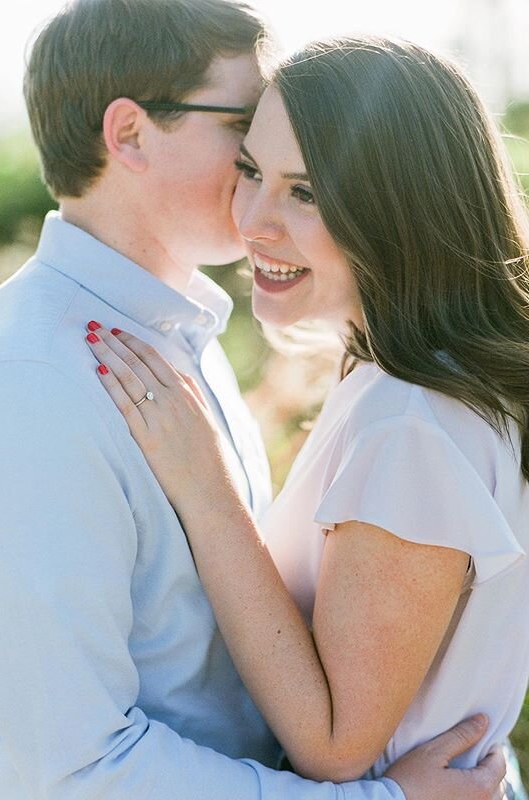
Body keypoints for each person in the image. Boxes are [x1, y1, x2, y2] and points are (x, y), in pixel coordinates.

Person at [0, 2, 506, 797]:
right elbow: (77, 771)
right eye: (244, 130)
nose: (256, 183)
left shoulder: (176, 338)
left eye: (304, 177)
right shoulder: (31, 390)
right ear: (128, 136)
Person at [84, 35, 529, 799]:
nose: (252, 220)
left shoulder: (412, 423)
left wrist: (205, 489)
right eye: (252, 171)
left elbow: (335, 744)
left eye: (308, 192)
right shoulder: (414, 377)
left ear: (403, 209)